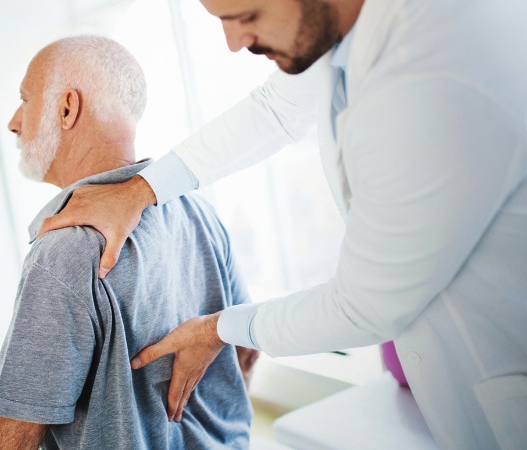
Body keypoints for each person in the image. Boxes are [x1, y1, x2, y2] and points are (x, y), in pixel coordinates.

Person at [37, 1, 527, 449]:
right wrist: (141, 190)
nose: (234, 41)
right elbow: (275, 109)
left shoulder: (430, 71)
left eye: (247, 14)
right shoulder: (354, 30)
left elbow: (364, 306)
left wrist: (221, 329)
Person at [0, 35, 259, 450]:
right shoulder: (199, 213)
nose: (14, 121)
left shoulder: (65, 251)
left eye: (25, 100)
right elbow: (247, 353)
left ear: (66, 108)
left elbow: (10, 441)